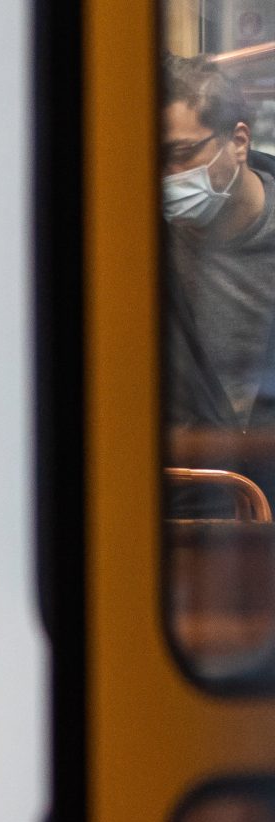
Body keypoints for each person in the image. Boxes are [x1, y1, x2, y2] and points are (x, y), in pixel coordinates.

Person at [163, 58, 275, 503]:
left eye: (182, 154)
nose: (168, 178)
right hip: (190, 516)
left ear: (240, 141)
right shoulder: (136, 249)